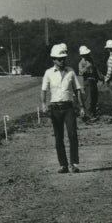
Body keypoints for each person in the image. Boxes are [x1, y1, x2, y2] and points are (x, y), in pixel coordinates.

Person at [40, 43, 84, 173]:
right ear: (54, 59)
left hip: (68, 107)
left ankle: (74, 164)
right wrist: (43, 104)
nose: (62, 61)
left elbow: (77, 89)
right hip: (55, 108)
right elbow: (43, 90)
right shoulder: (48, 73)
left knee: (72, 134)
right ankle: (63, 165)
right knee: (58, 137)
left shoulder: (70, 71)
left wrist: (81, 106)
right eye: (59, 59)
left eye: (64, 58)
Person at [77, 45, 101, 122]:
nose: (87, 55)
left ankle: (93, 114)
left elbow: (95, 69)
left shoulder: (91, 60)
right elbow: (80, 72)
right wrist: (87, 67)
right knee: (89, 99)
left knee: (94, 97)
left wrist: (100, 77)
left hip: (93, 80)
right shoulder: (81, 63)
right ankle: (88, 115)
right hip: (87, 81)